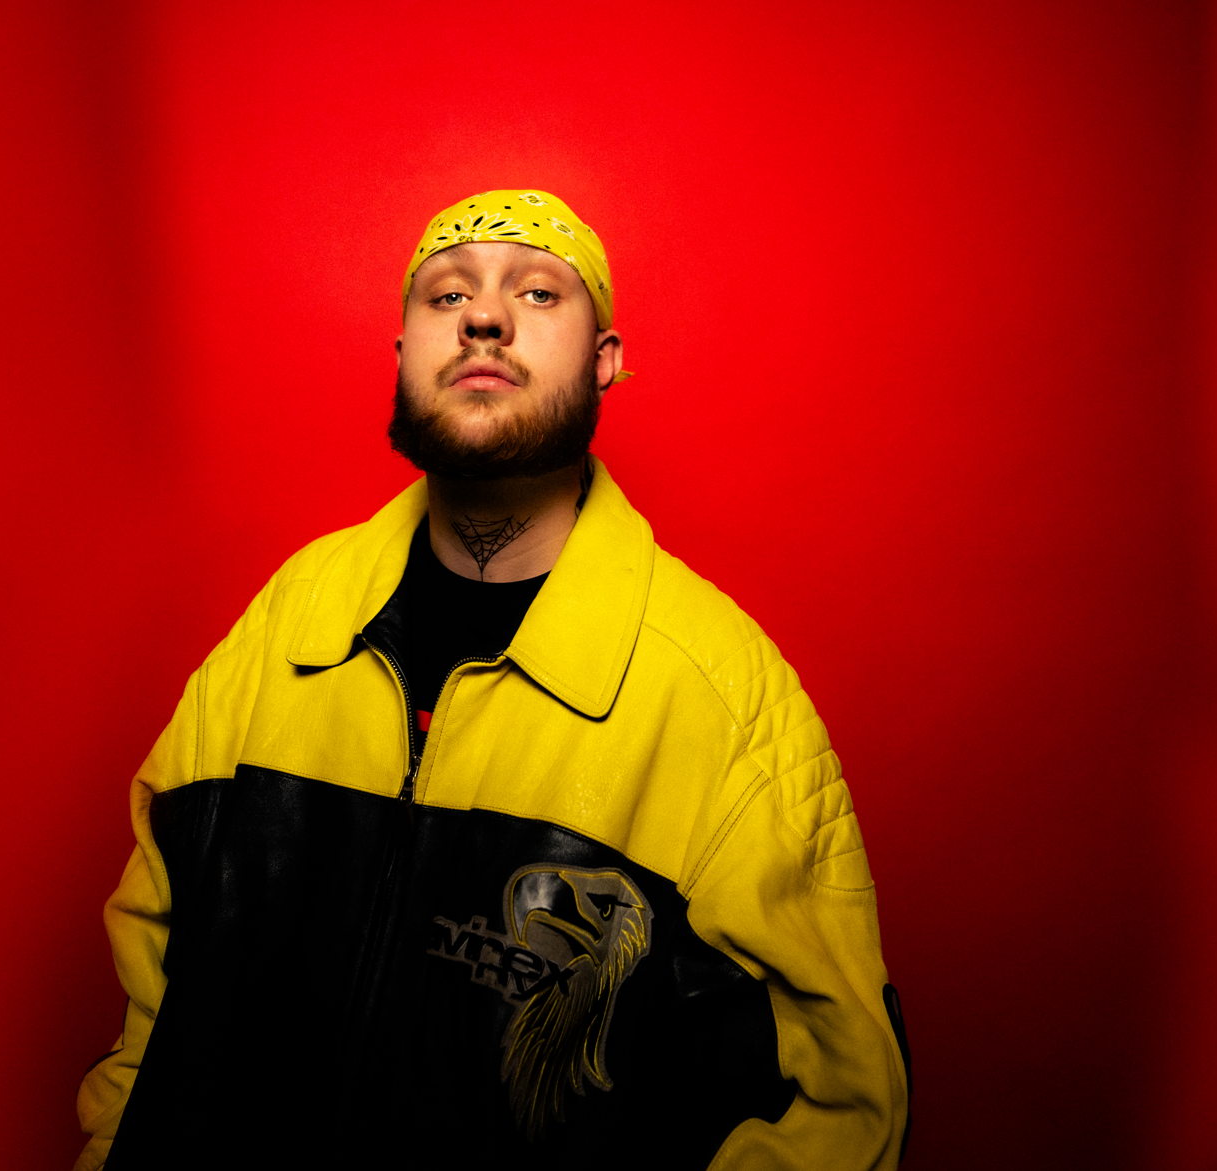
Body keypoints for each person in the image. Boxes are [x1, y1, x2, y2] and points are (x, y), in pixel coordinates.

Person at [75, 190, 912, 1170]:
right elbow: (158, 974)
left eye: (539, 292)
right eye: (447, 294)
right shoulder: (289, 623)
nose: (483, 313)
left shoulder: (723, 698)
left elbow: (838, 1106)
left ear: (605, 362)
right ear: (404, 355)